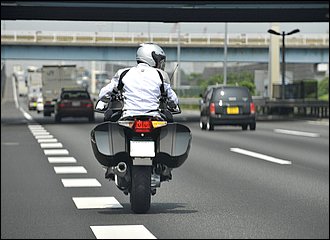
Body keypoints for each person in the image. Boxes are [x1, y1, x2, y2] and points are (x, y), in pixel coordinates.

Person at [98, 42, 179, 122]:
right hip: (154, 117)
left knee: (109, 118)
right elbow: (173, 100)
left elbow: (103, 94)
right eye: (159, 60)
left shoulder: (123, 73)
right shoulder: (161, 75)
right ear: (151, 57)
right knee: (169, 119)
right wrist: (172, 105)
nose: (160, 64)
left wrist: (107, 99)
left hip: (128, 116)